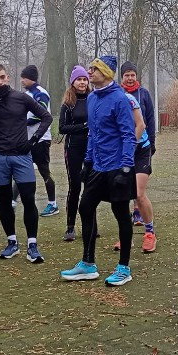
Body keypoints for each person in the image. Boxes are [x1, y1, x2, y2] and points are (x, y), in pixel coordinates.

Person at [60, 55, 137, 286]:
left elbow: (128, 135)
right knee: (85, 207)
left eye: (94, 69)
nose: (89, 72)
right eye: (89, 68)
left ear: (106, 73)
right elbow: (93, 134)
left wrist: (126, 167)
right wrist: (87, 161)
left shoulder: (121, 100)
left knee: (121, 214)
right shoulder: (92, 98)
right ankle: (88, 264)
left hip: (117, 167)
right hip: (98, 166)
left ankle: (124, 268)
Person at [0, 63, 52, 263]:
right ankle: (12, 242)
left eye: (2, 77)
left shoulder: (21, 98)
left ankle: (32, 245)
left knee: (28, 198)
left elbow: (46, 117)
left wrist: (33, 141)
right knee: (5, 202)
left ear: (7, 77)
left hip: (21, 155)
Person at [120, 67, 156, 253]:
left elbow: (145, 121)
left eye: (133, 75)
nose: (130, 78)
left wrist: (148, 143)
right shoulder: (114, 97)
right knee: (122, 195)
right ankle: (125, 235)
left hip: (140, 149)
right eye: (127, 75)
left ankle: (150, 233)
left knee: (139, 194)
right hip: (121, 152)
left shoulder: (137, 96)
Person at [20, 65, 57, 216]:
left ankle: (53, 203)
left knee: (44, 171)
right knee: (22, 169)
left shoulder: (41, 93)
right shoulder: (28, 93)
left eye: (24, 77)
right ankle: (13, 201)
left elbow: (40, 114)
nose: (21, 80)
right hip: (28, 138)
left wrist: (22, 122)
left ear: (30, 78)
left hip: (41, 138)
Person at [58, 66, 90, 242]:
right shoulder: (68, 104)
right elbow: (62, 127)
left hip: (91, 148)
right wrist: (84, 126)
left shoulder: (93, 99)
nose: (82, 82)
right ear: (73, 82)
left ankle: (91, 224)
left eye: (85, 79)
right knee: (75, 186)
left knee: (91, 187)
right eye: (79, 79)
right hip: (73, 149)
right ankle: (70, 226)